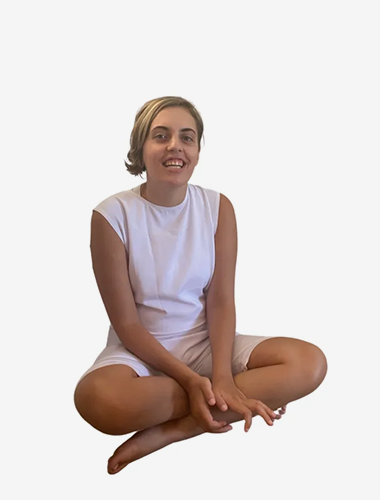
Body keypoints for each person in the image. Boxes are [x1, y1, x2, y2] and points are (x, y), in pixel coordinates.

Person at [73, 96, 328, 475]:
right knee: (98, 401)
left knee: (310, 363)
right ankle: (223, 395)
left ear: (196, 150)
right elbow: (127, 324)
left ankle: (178, 429)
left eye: (187, 137)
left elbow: (222, 300)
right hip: (140, 350)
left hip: (207, 342)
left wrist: (223, 374)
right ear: (141, 149)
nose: (175, 146)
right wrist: (193, 381)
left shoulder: (217, 206)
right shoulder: (111, 215)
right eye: (161, 136)